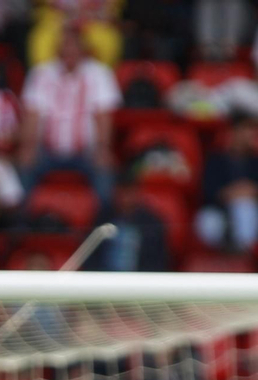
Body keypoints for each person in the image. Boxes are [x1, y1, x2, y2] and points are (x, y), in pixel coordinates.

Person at [19, 25, 121, 206]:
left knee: (105, 166)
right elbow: (32, 114)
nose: (69, 50)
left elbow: (103, 116)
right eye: (65, 45)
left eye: (74, 45)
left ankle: (101, 227)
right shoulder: (41, 73)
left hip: (86, 151)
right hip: (47, 150)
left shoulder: (99, 73)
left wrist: (102, 146)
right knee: (24, 162)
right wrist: (29, 145)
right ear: (57, 48)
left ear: (84, 49)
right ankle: (22, 227)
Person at [196, 112, 258, 252]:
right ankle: (218, 256)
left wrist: (248, 192)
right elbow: (207, 191)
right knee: (208, 222)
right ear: (234, 132)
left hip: (251, 212)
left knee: (245, 207)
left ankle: (243, 254)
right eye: (247, 130)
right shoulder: (216, 159)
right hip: (219, 211)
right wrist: (233, 192)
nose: (252, 135)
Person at [89, 172, 170, 271]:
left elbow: (158, 260)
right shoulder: (102, 218)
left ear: (137, 193)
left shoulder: (152, 222)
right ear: (115, 193)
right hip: (105, 279)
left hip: (140, 279)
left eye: (129, 193)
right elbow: (91, 256)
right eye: (122, 193)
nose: (126, 199)